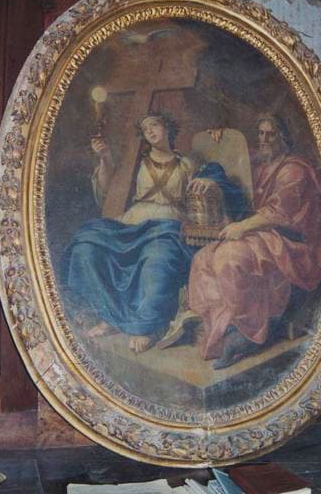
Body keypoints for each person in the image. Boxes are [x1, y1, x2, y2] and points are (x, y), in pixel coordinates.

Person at [61, 113, 247, 353]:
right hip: (130, 226)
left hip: (167, 227)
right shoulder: (134, 164)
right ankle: (111, 317)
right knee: (86, 248)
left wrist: (211, 181)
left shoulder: (186, 163)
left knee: (158, 259)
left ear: (167, 128)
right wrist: (105, 158)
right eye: (145, 128)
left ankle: (147, 327)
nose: (150, 131)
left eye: (154, 125)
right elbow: (108, 192)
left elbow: (212, 178)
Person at [188, 114, 321, 369]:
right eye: (261, 133)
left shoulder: (293, 170)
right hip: (262, 236)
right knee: (203, 258)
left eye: (270, 134)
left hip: (290, 244)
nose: (264, 139)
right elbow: (226, 168)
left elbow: (278, 213)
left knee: (230, 260)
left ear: (283, 138)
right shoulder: (261, 165)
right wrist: (219, 138)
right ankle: (224, 325)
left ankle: (249, 332)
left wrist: (241, 227)